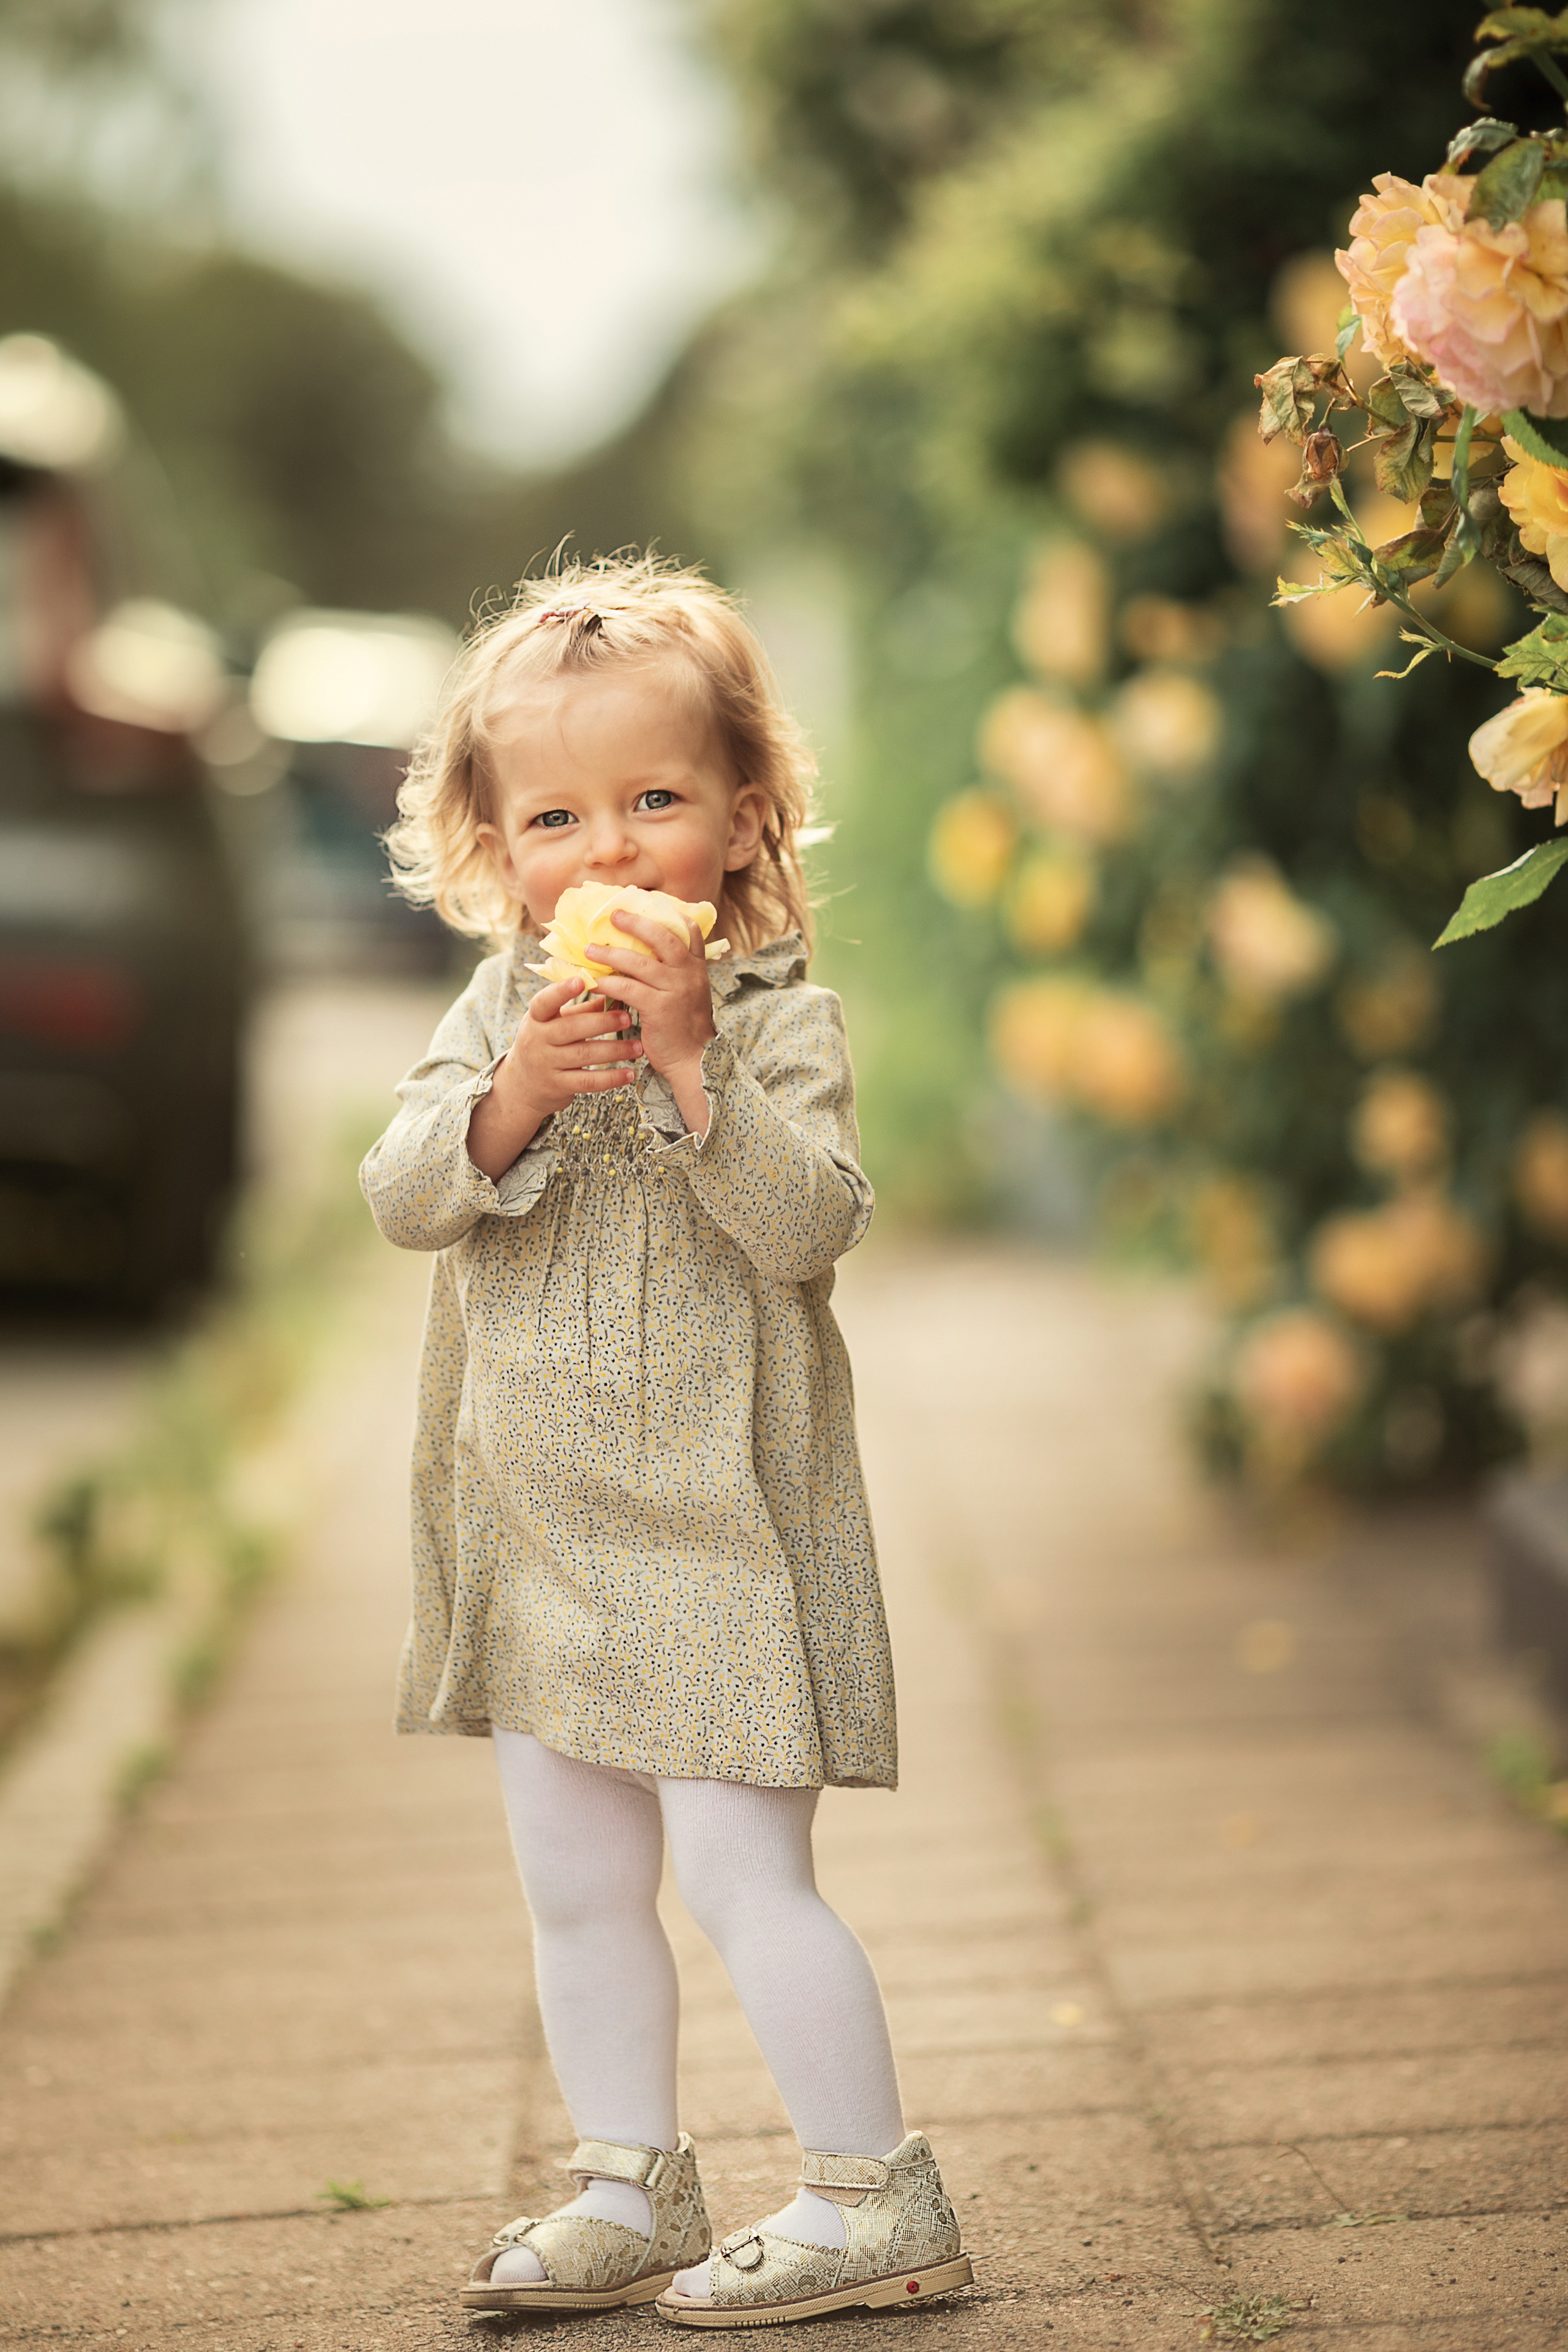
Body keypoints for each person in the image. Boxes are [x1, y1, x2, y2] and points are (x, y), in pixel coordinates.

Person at [360, 554, 973, 2327]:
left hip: (718, 1530)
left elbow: (810, 1226)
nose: (610, 854)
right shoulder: (497, 1017)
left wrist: (696, 1072)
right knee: (574, 1883)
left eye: (656, 801)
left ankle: (876, 2191)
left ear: (745, 817)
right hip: (539, 1524)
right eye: (555, 816)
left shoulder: (781, 1027)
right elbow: (404, 1195)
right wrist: (519, 1095)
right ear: (493, 851)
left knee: (738, 1874)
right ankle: (629, 2172)